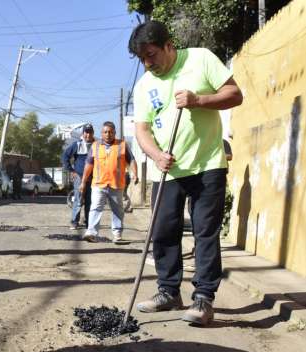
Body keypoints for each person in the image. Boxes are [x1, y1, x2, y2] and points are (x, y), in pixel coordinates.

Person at [129, 21, 243, 326]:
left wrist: (199, 101)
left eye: (151, 55)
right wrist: (155, 154)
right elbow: (141, 129)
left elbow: (234, 94)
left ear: (169, 46)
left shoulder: (201, 59)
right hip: (168, 170)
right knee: (164, 231)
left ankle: (203, 299)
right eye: (142, 59)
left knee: (206, 232)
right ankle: (168, 291)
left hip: (207, 164)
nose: (148, 64)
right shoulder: (144, 86)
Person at [80, 121, 137, 244]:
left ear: (115, 133)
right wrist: (83, 181)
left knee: (117, 210)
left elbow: (131, 160)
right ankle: (91, 232)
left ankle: (117, 235)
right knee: (95, 207)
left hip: (116, 184)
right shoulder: (95, 146)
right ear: (101, 133)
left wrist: (135, 174)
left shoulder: (122, 145)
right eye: (105, 132)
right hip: (99, 184)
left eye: (111, 132)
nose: (108, 134)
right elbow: (88, 165)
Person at [61, 124, 95, 229]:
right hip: (80, 177)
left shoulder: (97, 145)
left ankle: (88, 222)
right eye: (86, 132)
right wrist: (71, 170)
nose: (88, 134)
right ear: (83, 133)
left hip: (94, 178)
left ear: (93, 133)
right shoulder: (77, 145)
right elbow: (65, 156)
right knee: (78, 200)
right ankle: (74, 222)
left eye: (90, 132)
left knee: (90, 201)